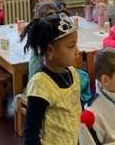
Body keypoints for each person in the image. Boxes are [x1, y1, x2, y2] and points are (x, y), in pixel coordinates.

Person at [23, 13, 81, 145]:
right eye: (71, 46)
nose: (77, 52)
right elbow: (30, 134)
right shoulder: (40, 84)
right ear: (50, 50)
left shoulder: (72, 73)